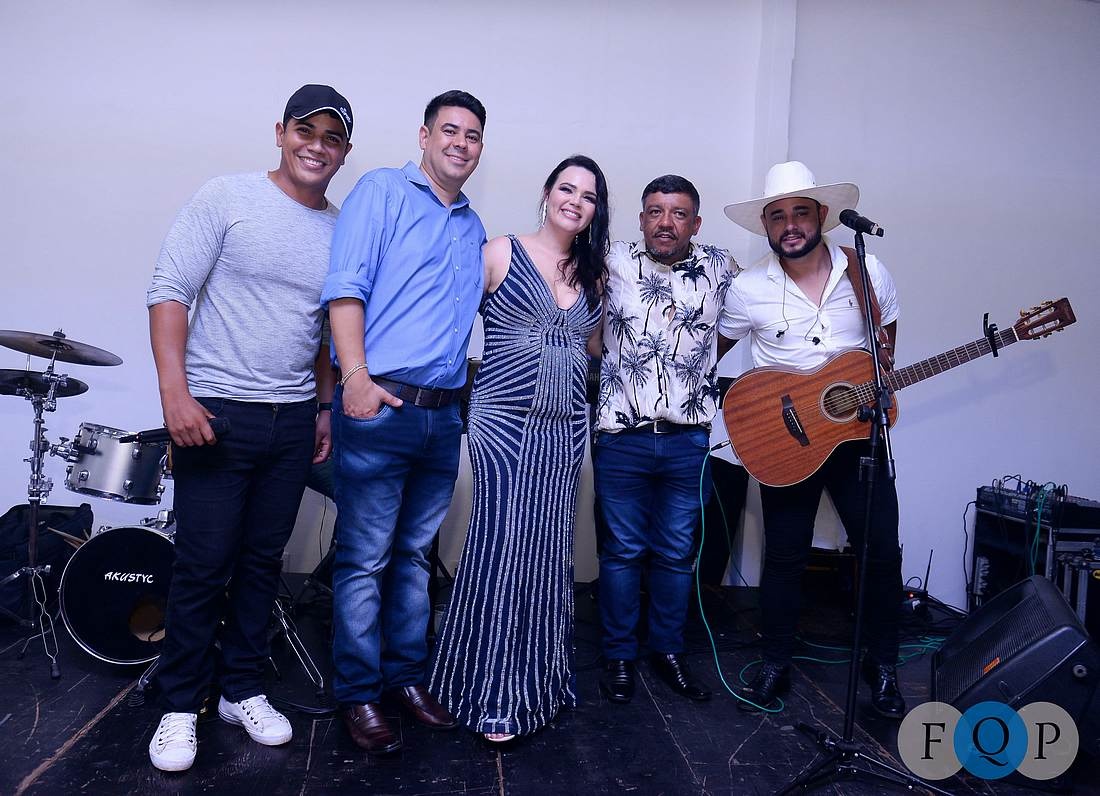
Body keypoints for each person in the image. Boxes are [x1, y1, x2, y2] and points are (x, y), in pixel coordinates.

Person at [145, 84, 353, 772]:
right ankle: (180, 704)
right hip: (217, 412)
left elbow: (323, 328)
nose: (316, 146)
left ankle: (242, 689)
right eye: (305, 131)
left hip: (291, 419)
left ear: (344, 151)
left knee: (265, 563)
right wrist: (174, 395)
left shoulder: (340, 228)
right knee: (203, 564)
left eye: (331, 138)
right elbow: (169, 291)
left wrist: (322, 407)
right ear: (281, 131)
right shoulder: (227, 197)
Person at [322, 90, 487, 755]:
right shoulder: (381, 192)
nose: (460, 143)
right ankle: (359, 692)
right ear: (424, 136)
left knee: (415, 557)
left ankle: (407, 679)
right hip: (379, 406)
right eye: (449, 130)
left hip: (442, 419)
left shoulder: (473, 226)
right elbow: (345, 287)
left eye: (472, 135)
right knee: (365, 560)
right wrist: (355, 378)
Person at [429, 155, 609, 742]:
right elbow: (447, 327)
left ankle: (540, 684)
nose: (575, 202)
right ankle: (486, 690)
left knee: (550, 553)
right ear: (547, 193)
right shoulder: (500, 252)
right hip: (503, 425)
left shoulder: (594, 276)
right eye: (567, 189)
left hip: (565, 430)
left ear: (595, 210)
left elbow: (592, 350)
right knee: (501, 547)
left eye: (588, 196)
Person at [720, 160, 905, 718]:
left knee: (880, 553)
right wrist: (756, 416)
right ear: (766, 225)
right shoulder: (748, 289)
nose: (790, 225)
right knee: (784, 557)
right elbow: (715, 357)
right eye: (777, 216)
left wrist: (872, 388)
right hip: (787, 443)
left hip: (856, 439)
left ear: (823, 215)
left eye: (800, 212)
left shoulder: (867, 270)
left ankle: (883, 664)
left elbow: (885, 344)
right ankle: (775, 661)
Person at [595, 175, 738, 704]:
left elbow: (750, 316)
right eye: (655, 211)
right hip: (622, 438)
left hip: (687, 441)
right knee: (621, 552)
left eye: (678, 214)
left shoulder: (722, 268)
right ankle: (618, 654)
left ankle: (668, 651)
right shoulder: (612, 260)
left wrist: (694, 366)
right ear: (641, 219)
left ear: (695, 224)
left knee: (677, 554)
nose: (665, 222)